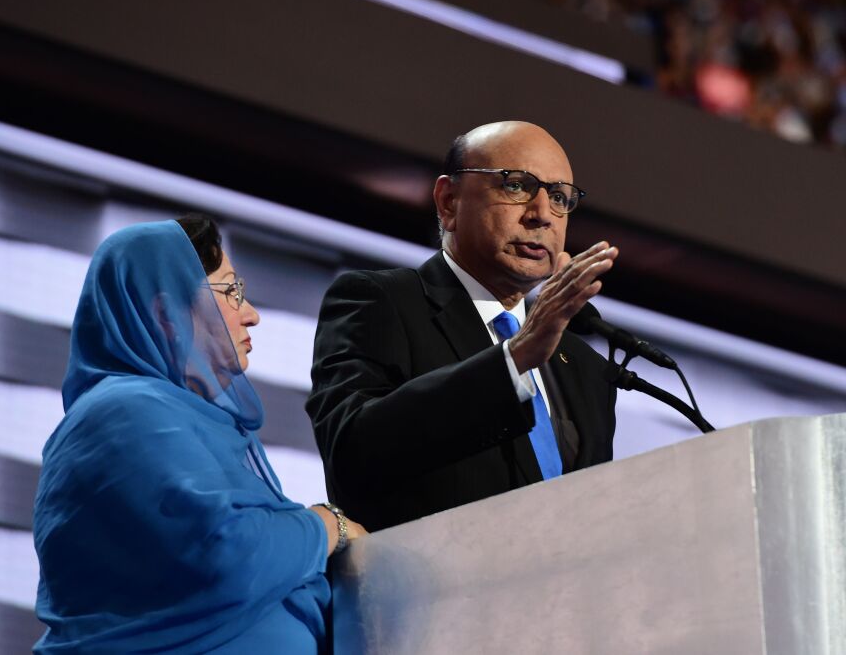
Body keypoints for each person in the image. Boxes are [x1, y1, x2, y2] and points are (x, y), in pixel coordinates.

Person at [33, 216, 365, 654]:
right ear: (166, 314)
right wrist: (328, 524)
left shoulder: (160, 414)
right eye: (231, 291)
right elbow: (225, 553)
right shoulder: (127, 412)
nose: (252, 314)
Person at [307, 121, 619, 532]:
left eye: (559, 197)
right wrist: (513, 358)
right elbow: (351, 454)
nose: (542, 214)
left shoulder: (585, 367)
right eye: (516, 186)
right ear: (449, 201)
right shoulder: (380, 302)